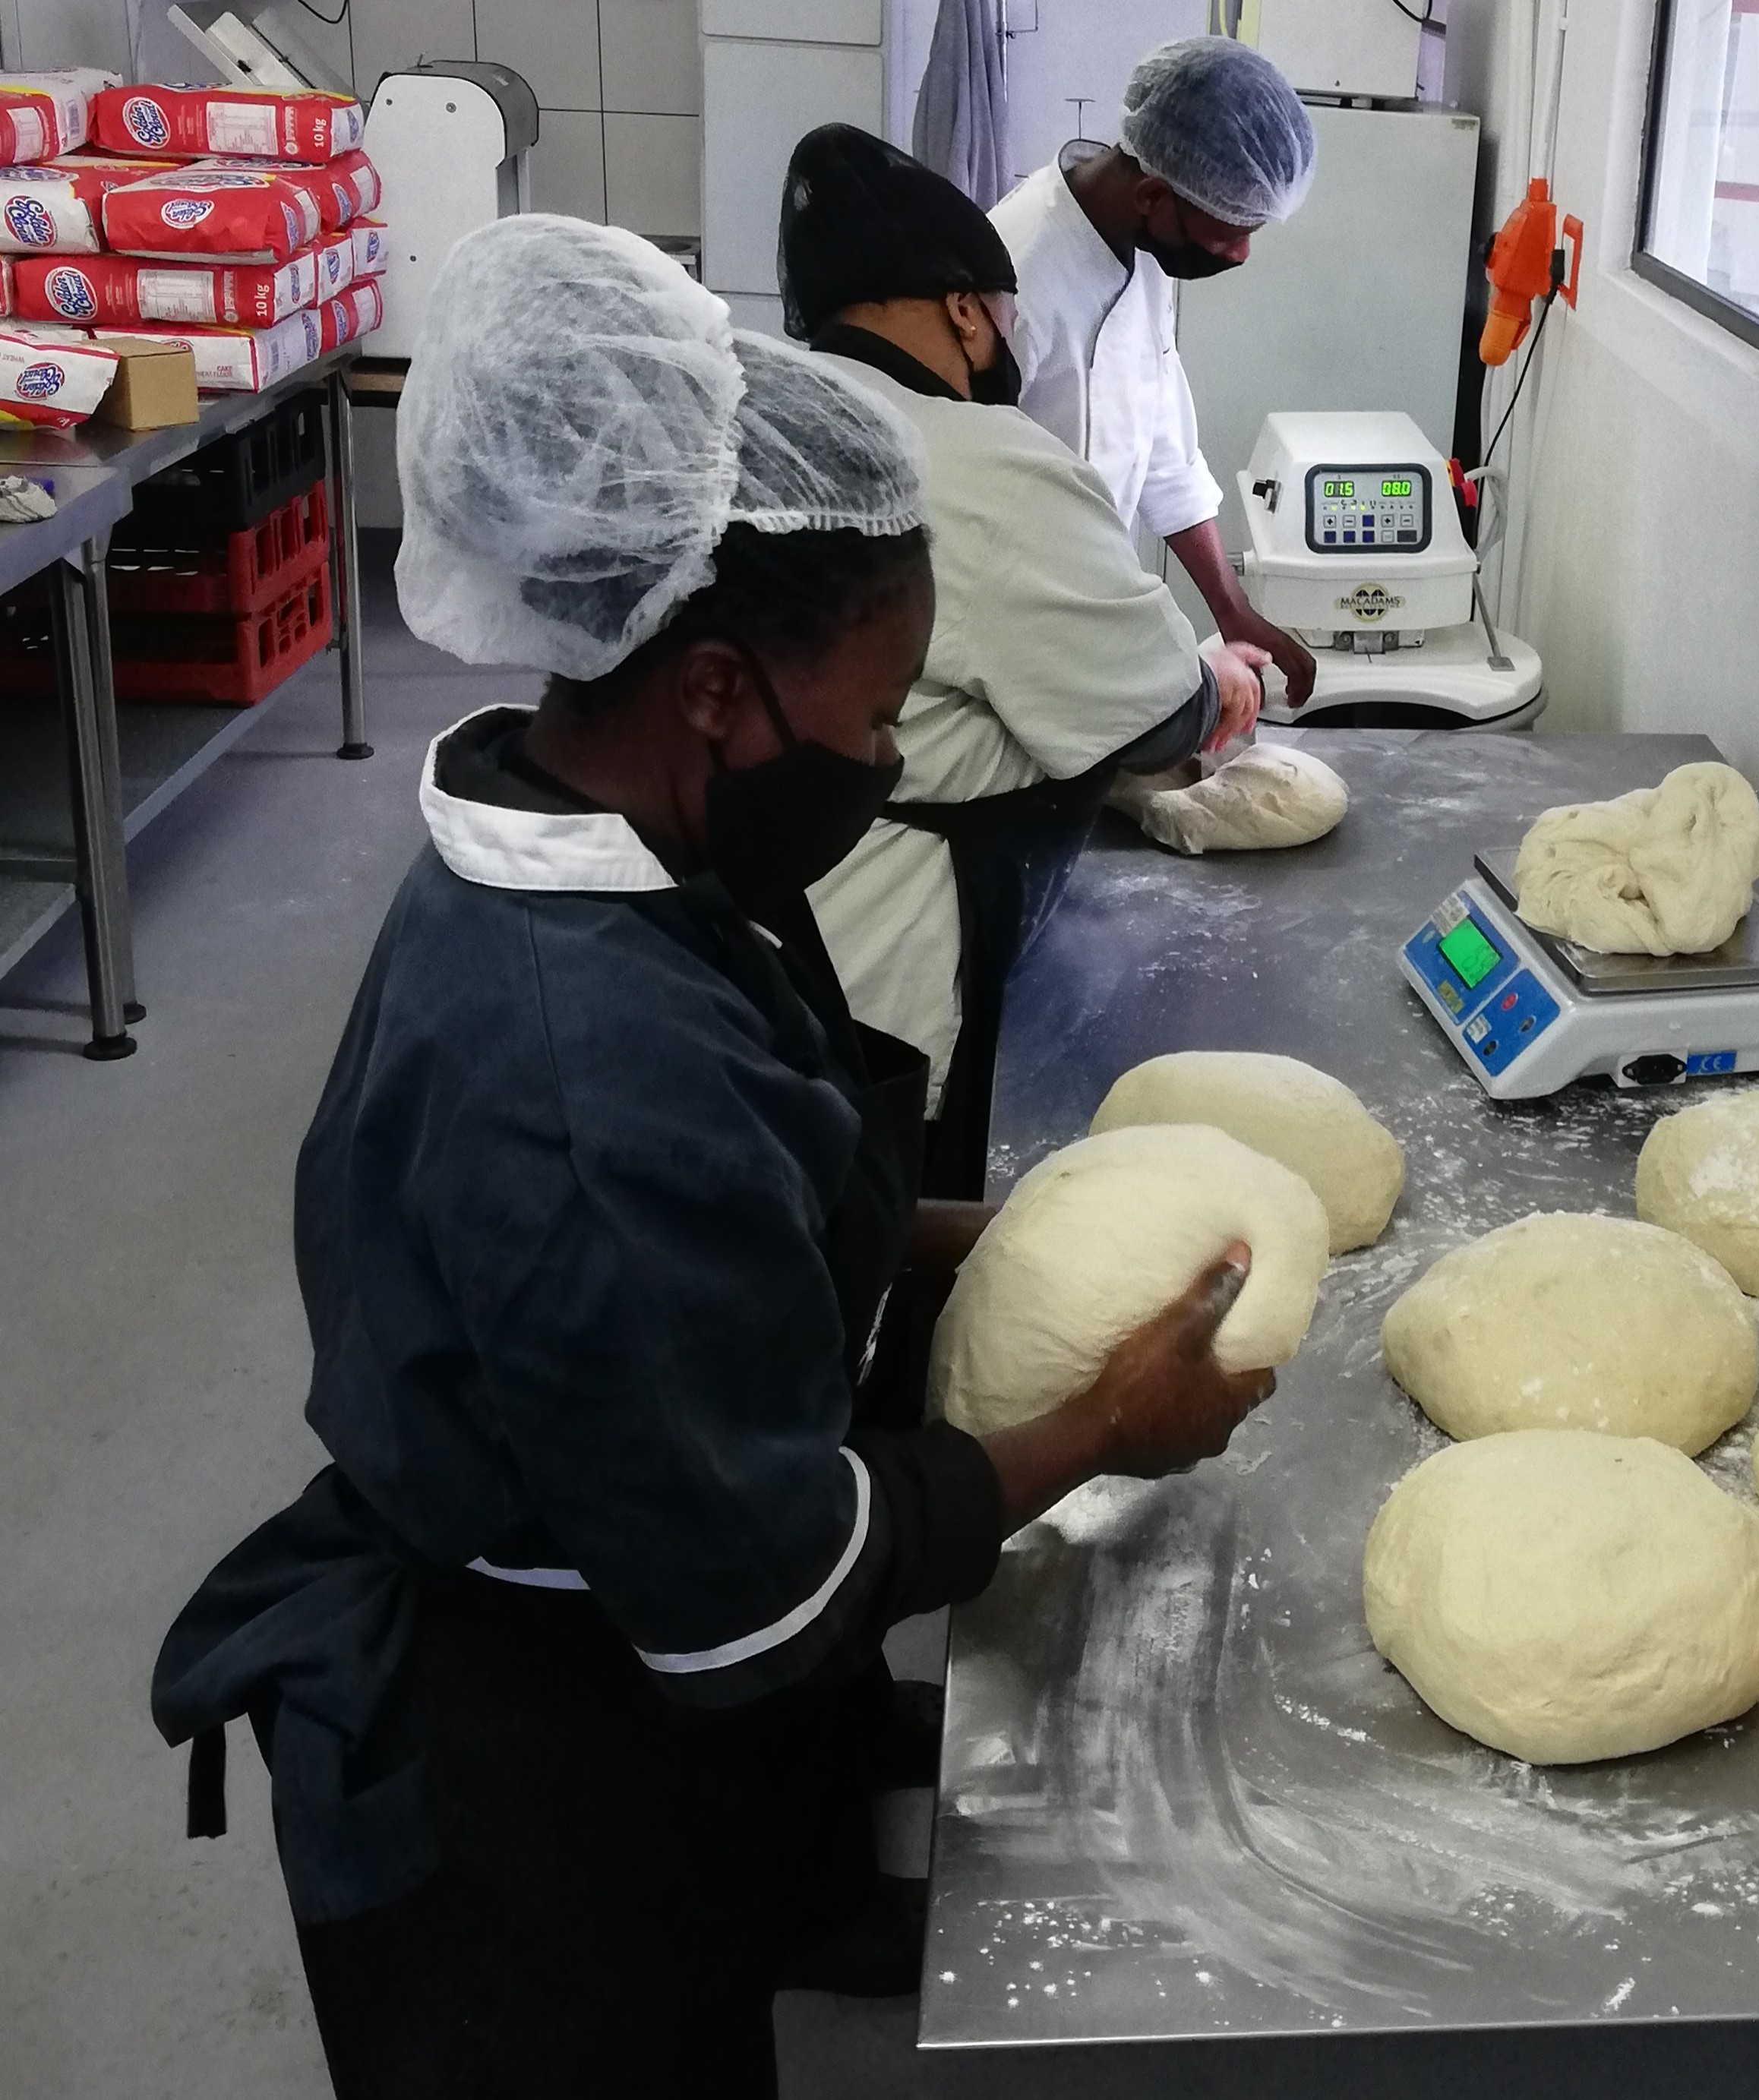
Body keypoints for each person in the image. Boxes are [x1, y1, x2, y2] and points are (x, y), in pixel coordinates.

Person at [148, 216, 1274, 2100]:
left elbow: (767, 1184)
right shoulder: (587, 1075)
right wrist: (1103, 1427)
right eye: (876, 705)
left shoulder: (622, 836)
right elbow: (766, 1581)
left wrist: (1015, 1228)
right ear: (716, 694)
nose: (890, 745)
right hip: (535, 1788)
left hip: (626, 1601)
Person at [782, 123, 1264, 1200]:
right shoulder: (978, 459)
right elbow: (1148, 718)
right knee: (890, 1257)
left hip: (744, 927)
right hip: (882, 958)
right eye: (1008, 314)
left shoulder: (777, 411)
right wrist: (1215, 681)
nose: (1017, 337)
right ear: (966, 309)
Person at [990, 35, 1320, 708]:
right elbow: (966, 507)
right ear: (1152, 195)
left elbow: (1163, 446)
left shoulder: (1140, 249)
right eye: (1229, 231)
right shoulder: (1015, 281)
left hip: (1090, 614)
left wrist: (1232, 610)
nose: (1242, 253)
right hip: (1006, 633)